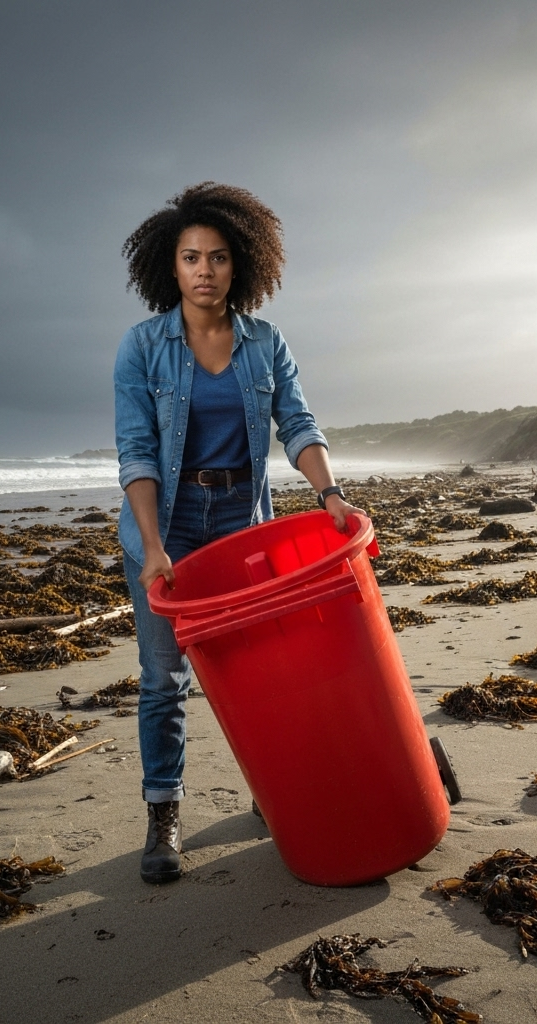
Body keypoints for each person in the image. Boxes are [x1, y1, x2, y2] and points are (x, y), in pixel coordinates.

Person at [114, 182, 365, 884]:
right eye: (191, 257)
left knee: (267, 669)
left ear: (240, 264)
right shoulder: (141, 349)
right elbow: (135, 453)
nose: (204, 270)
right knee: (164, 677)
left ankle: (272, 789)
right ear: (171, 266)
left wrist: (332, 494)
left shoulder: (266, 343)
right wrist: (154, 546)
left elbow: (299, 425)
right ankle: (163, 814)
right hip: (166, 525)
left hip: (241, 524)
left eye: (218, 258)